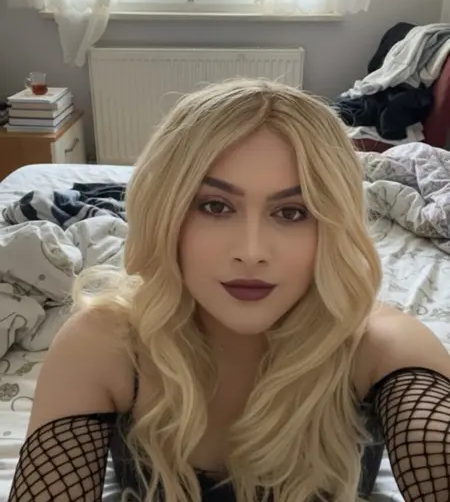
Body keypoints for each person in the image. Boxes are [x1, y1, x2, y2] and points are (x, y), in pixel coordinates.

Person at [7, 78, 450, 502]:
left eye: (292, 213)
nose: (251, 252)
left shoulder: (381, 347)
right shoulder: (107, 345)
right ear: (166, 214)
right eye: (215, 206)